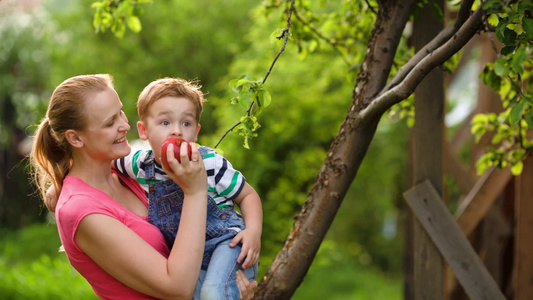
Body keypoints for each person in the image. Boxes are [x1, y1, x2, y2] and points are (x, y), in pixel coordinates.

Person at [30, 74, 257, 300]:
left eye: (120, 112)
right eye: (110, 123)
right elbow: (177, 289)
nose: (125, 125)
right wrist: (195, 191)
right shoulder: (81, 211)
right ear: (76, 139)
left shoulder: (124, 171)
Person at [112, 77, 263, 300]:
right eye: (165, 123)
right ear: (143, 131)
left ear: (196, 131)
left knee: (213, 293)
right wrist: (62, 182)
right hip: (193, 263)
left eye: (186, 123)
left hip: (228, 245)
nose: (177, 132)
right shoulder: (141, 166)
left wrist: (253, 232)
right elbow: (103, 162)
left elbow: (248, 194)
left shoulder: (210, 163)